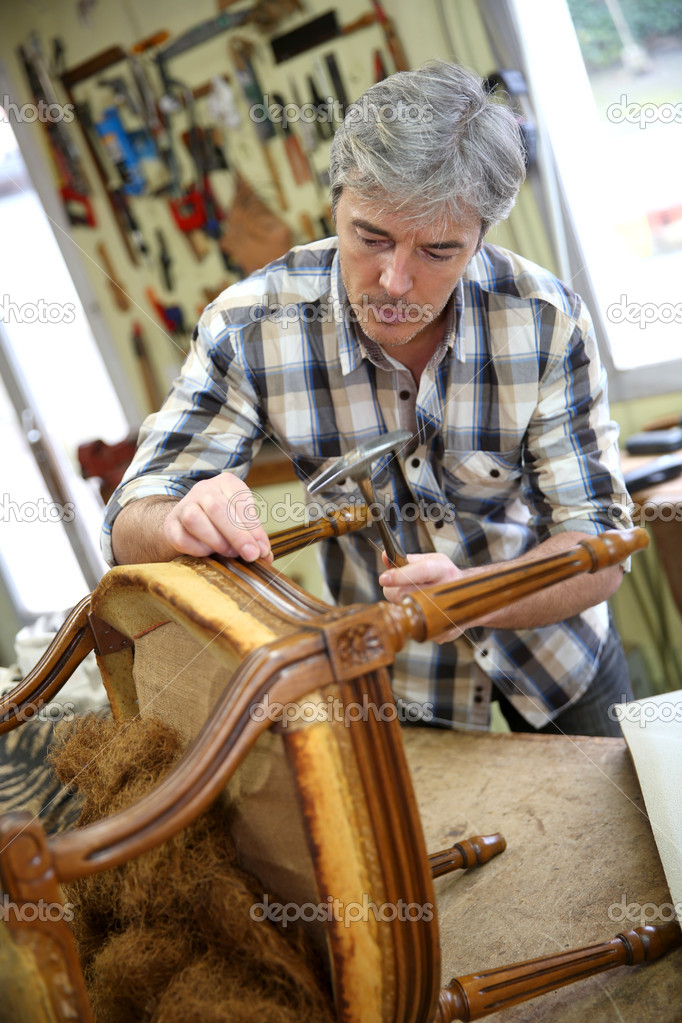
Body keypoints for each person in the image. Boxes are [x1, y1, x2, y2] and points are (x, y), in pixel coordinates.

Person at [103, 61, 633, 736]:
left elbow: (602, 545)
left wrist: (475, 597)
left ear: (480, 237)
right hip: (397, 682)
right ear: (336, 203)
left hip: (561, 659)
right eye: (370, 237)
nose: (395, 280)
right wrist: (176, 520)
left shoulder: (545, 320)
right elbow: (127, 520)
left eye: (439, 251)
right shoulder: (250, 328)